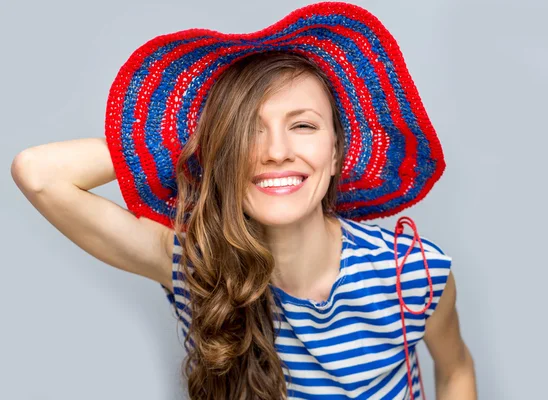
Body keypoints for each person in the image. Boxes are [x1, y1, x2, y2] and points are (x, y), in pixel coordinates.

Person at [11, 2, 476, 400]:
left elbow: (455, 370)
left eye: (304, 125)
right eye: (248, 131)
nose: (276, 151)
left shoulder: (411, 270)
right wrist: (202, 143)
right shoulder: (196, 266)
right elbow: (39, 175)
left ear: (336, 153)